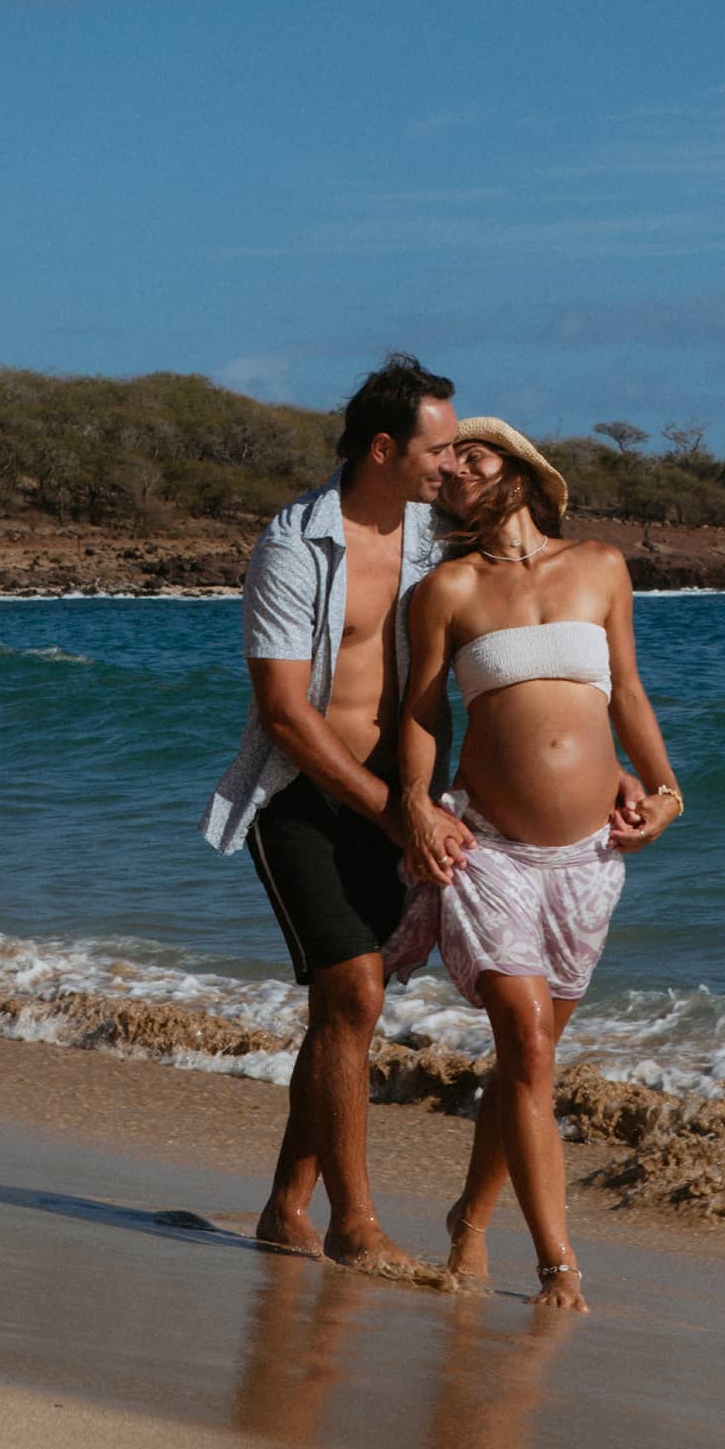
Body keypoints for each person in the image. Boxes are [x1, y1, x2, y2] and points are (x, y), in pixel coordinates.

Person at [386, 418, 682, 1313]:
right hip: (490, 848)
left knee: (534, 1060)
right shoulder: (446, 589)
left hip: (589, 856)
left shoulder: (600, 565)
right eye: (447, 466)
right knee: (526, 1039)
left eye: (474, 455)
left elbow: (625, 691)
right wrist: (415, 801)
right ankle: (559, 1266)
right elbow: (423, 713)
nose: (458, 470)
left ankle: (470, 1222)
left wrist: (666, 793)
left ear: (518, 471)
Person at [199, 353, 470, 1269]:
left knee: (345, 1009)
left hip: (402, 800)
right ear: (386, 449)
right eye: (441, 448)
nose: (453, 463)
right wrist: (394, 814)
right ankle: (356, 1223)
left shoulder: (439, 542)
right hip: (303, 799)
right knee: (352, 992)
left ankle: (285, 1207)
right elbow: (285, 711)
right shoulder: (293, 543)